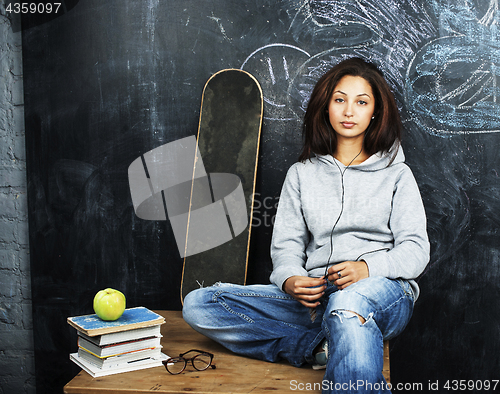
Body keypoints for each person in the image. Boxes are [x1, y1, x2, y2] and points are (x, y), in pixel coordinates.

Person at [182, 57, 430, 393]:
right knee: (200, 305)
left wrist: (366, 268)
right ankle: (318, 348)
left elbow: (416, 251)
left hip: (382, 292)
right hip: (317, 296)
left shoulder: (398, 175)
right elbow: (286, 246)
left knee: (348, 305)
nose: (348, 111)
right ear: (326, 106)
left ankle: (334, 335)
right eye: (340, 100)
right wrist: (289, 279)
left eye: (361, 102)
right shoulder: (302, 174)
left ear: (375, 113)